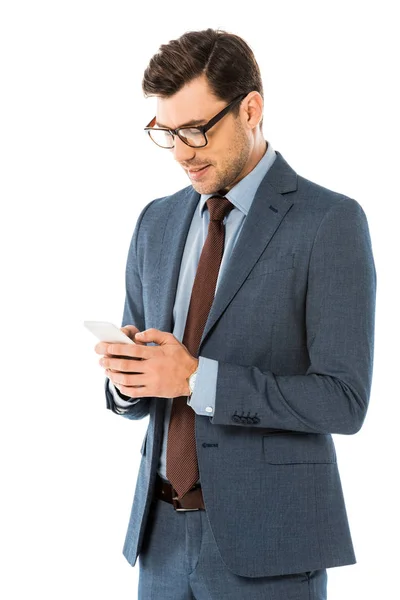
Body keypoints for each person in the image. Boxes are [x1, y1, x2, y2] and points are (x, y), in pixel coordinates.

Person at [94, 28, 376, 600]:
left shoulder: (329, 222)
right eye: (168, 133)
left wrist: (198, 378)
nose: (182, 152)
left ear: (251, 109)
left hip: (271, 549)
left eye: (197, 129)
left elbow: (343, 401)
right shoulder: (156, 222)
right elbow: (146, 391)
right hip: (161, 542)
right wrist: (128, 381)